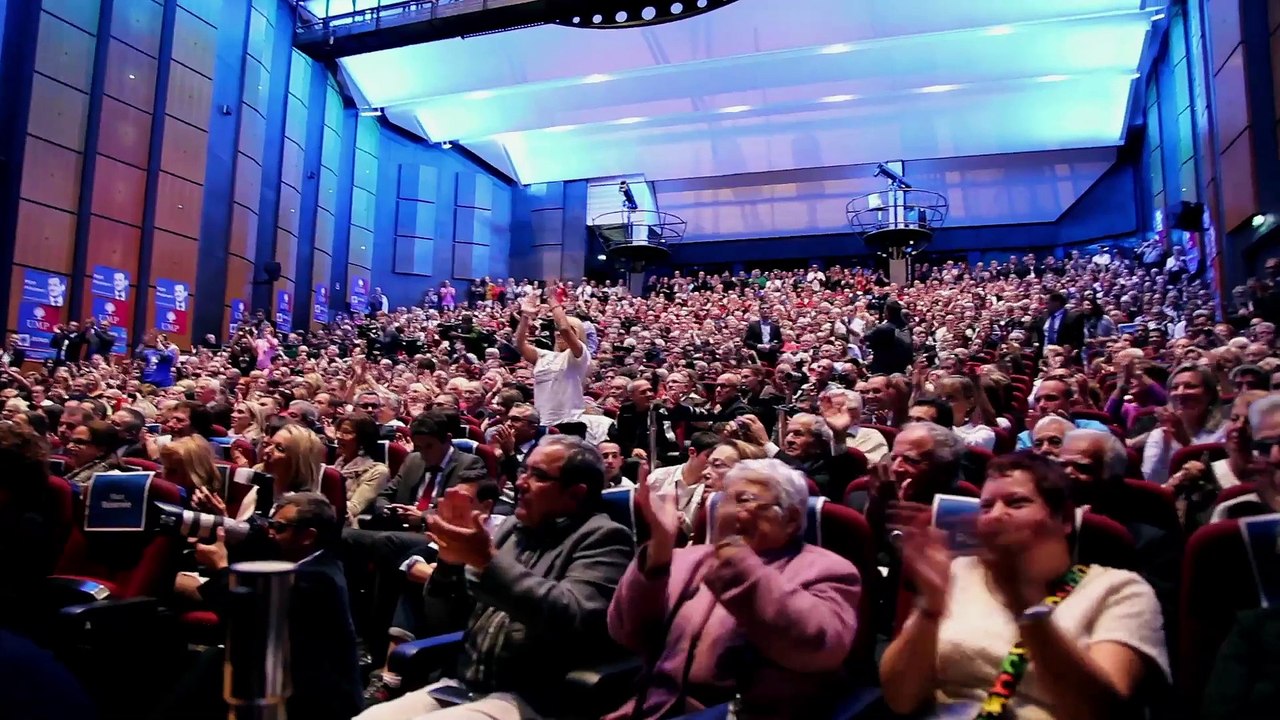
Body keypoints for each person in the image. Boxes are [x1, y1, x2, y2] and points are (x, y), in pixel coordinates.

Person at [356, 435, 634, 720]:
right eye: (524, 470)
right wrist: (448, 567)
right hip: (464, 686)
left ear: (575, 494)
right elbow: (445, 619)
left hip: (534, 698)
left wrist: (487, 562)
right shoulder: (514, 528)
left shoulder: (605, 538)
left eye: (538, 475)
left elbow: (572, 616)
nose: (521, 482)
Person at [881, 452, 1169, 719]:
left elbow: (1100, 713)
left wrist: (1026, 604)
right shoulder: (956, 573)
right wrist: (929, 607)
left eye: (1017, 503)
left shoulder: (1119, 590)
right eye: (986, 506)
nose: (995, 515)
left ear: (1065, 519)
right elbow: (900, 700)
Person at [605, 459, 862, 719]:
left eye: (744, 500)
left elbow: (816, 648)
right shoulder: (688, 559)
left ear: (792, 518)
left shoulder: (830, 570)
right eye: (725, 499)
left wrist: (735, 557)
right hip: (653, 707)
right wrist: (659, 550)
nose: (726, 511)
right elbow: (627, 632)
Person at [188, 493, 362, 719]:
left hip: (317, 704)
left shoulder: (317, 579)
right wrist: (225, 525)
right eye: (271, 524)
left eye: (279, 528)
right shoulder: (312, 559)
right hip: (289, 675)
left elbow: (246, 622)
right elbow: (259, 554)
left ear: (308, 536)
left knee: (213, 665)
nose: (270, 532)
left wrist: (220, 567)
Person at [514, 290, 589, 427]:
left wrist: (555, 304)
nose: (559, 333)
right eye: (556, 330)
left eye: (573, 330)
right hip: (541, 421)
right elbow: (520, 344)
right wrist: (525, 316)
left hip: (568, 422)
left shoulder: (580, 355)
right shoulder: (544, 355)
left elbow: (564, 329)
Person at [1142, 364, 1226, 484]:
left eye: (1190, 386)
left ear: (1210, 394)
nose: (1180, 393)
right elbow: (1152, 482)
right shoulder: (1159, 434)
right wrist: (1166, 446)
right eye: (1175, 388)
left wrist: (1185, 441)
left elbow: (1220, 481)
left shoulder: (1226, 431)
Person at [1014, 378, 1109, 450]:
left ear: (1070, 404)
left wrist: (1069, 431)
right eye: (1038, 400)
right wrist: (1035, 435)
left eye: (1051, 398)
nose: (1042, 405)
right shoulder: (1025, 437)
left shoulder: (1094, 428)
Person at [333, 411, 391, 524]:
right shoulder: (338, 464)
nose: (338, 436)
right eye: (338, 431)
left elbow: (354, 508)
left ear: (363, 439)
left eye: (346, 432)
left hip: (351, 527)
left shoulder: (378, 472)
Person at [937, 375, 997, 451]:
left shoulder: (983, 434)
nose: (942, 402)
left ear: (970, 402)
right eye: (938, 397)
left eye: (950, 398)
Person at [63, 420, 125, 488]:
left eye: (79, 442)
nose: (69, 446)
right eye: (70, 441)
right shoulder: (71, 471)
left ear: (102, 450)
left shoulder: (110, 481)